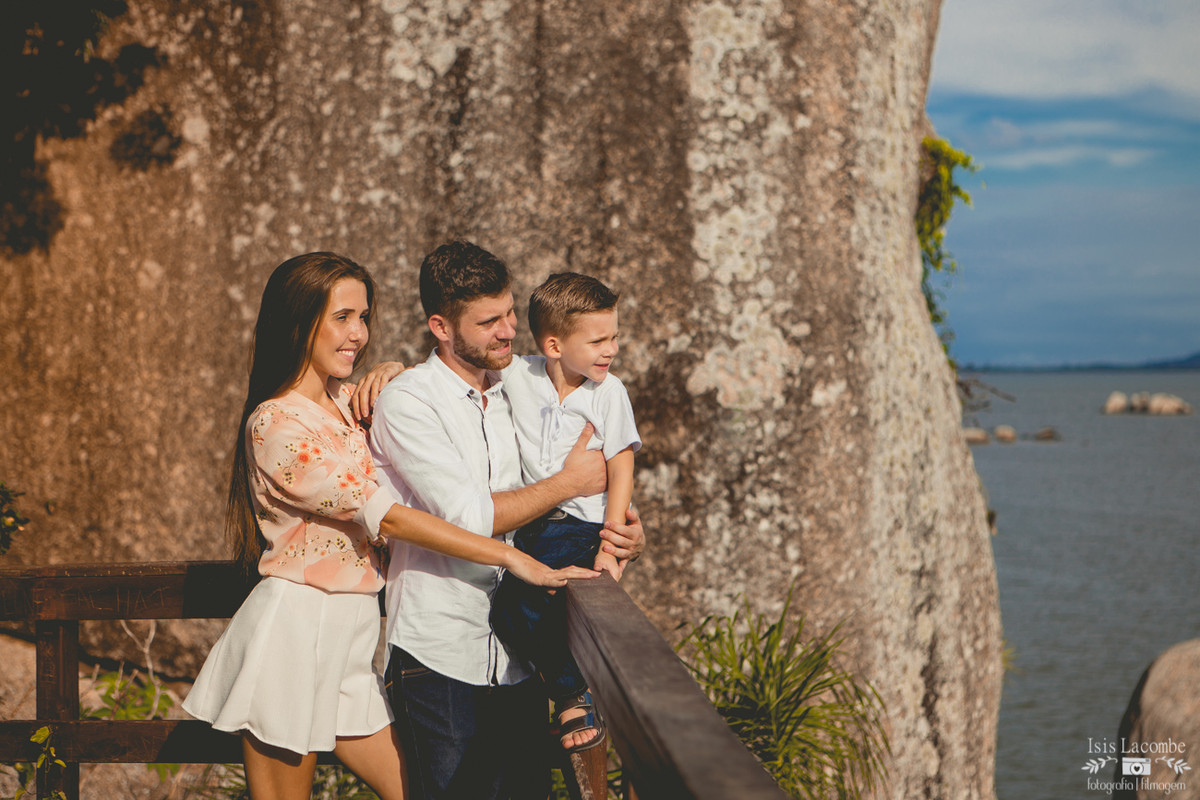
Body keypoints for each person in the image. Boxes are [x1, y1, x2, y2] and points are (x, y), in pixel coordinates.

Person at [182, 252, 596, 800]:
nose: (358, 334)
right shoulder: (275, 422)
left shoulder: (350, 402)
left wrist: (389, 372)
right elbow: (392, 516)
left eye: (363, 317)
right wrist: (510, 556)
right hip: (297, 630)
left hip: (354, 638)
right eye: (341, 317)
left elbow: (407, 398)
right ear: (299, 322)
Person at [367, 241, 646, 799]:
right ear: (441, 327)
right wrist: (570, 482)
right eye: (489, 321)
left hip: (520, 661)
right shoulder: (409, 401)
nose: (508, 330)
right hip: (440, 654)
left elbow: (594, 460)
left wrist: (616, 531)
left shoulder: (518, 387)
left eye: (510, 312)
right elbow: (470, 517)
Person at [489, 271, 639, 754]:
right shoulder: (519, 374)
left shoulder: (608, 392)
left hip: (581, 523)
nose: (610, 349)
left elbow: (620, 460)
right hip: (533, 523)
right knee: (509, 613)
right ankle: (564, 685)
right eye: (597, 340)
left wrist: (613, 542)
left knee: (531, 602)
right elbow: (456, 370)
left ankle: (572, 695)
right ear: (553, 345)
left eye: (614, 336)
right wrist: (390, 368)